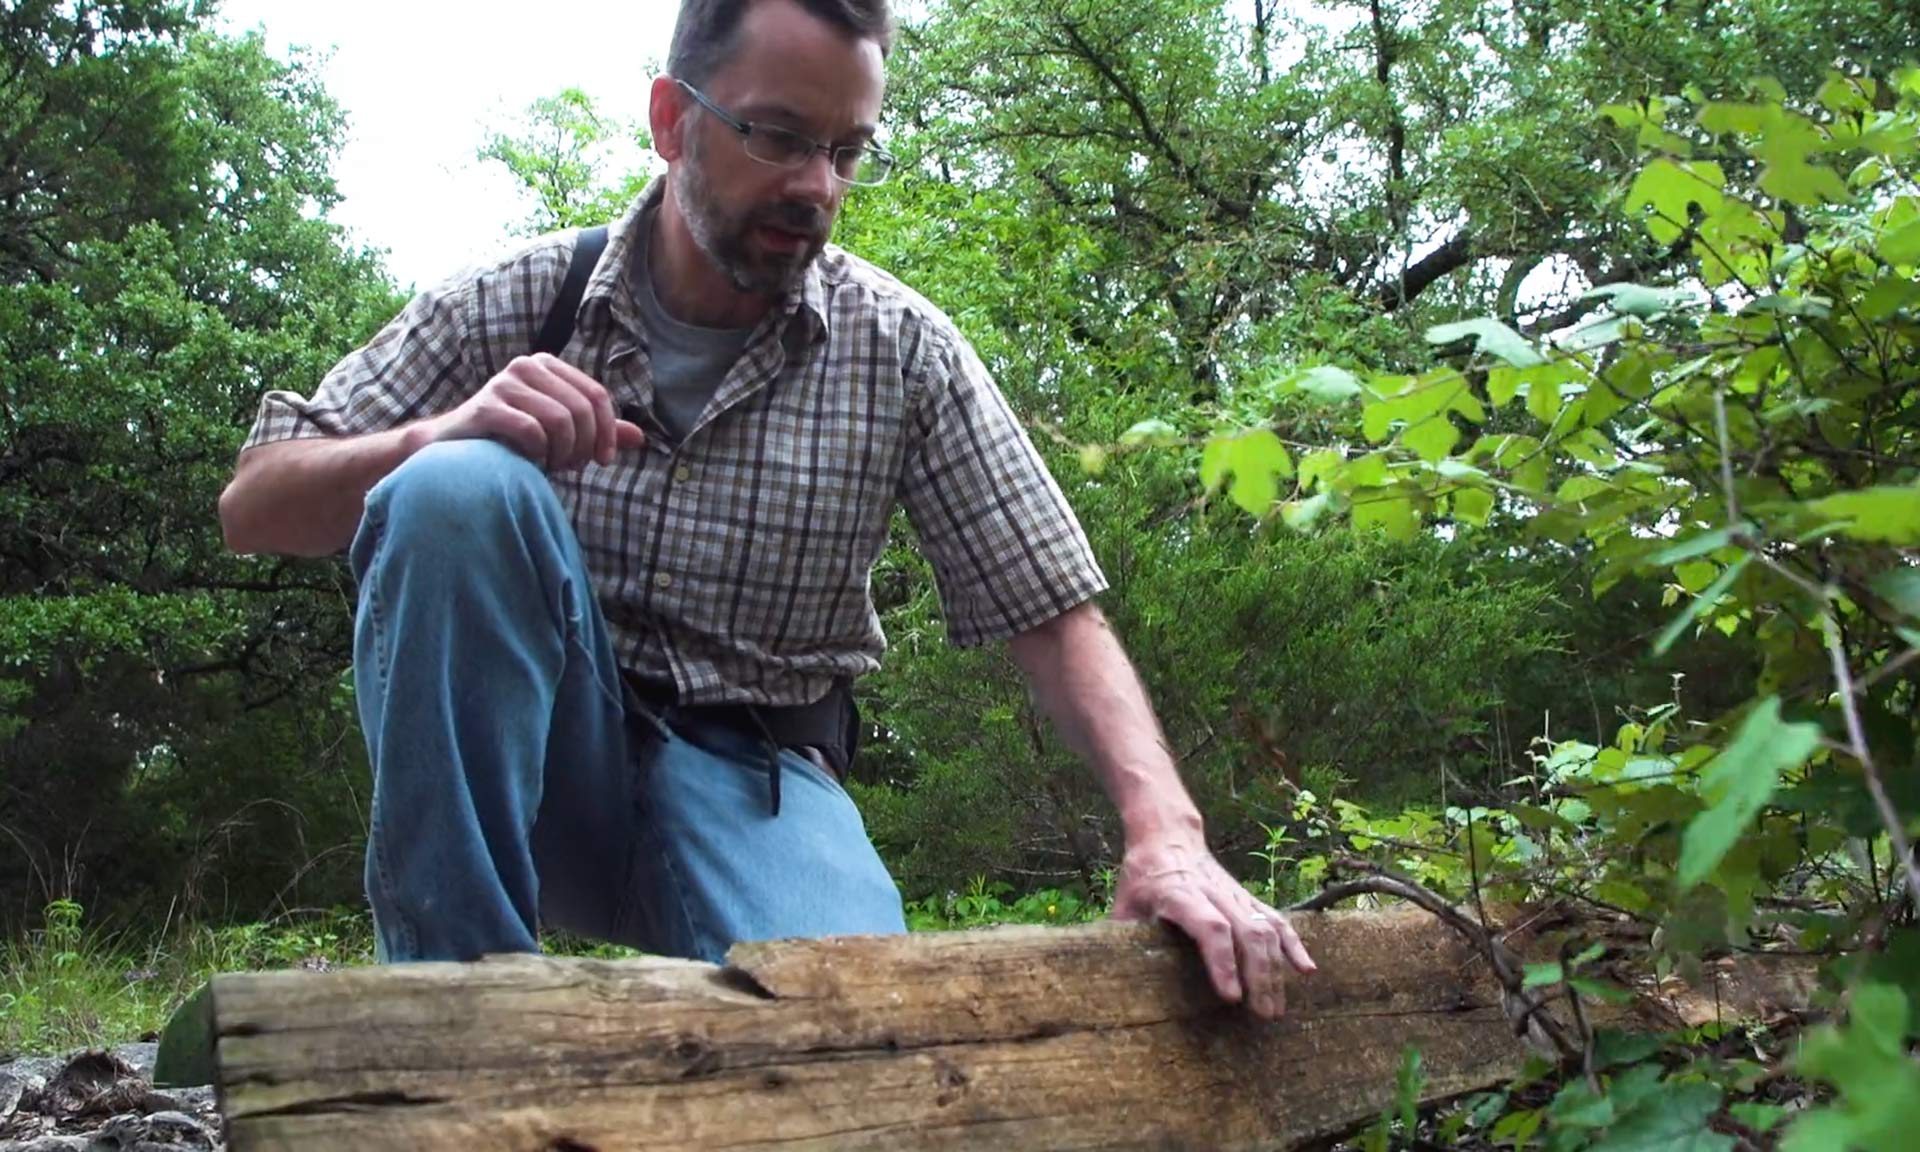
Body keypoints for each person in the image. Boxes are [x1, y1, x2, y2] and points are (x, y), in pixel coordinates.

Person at [218, 0, 1315, 1018]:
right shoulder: (520, 299)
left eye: (846, 151)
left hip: (761, 783)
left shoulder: (903, 351)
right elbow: (255, 502)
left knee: (869, 1048)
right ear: (671, 119)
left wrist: (1167, 834)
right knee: (455, 491)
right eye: (778, 137)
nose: (816, 187)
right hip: (539, 766)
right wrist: (437, 431)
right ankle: (454, 1019)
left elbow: (1053, 610)